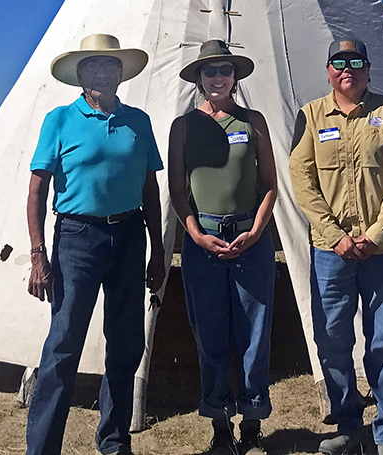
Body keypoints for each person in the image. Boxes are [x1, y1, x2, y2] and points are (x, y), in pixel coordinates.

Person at [26, 34, 165, 455]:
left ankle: (114, 441)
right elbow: (36, 189)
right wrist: (37, 253)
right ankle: (43, 447)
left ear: (121, 74)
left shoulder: (138, 121)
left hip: (128, 235)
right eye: (93, 67)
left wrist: (158, 250)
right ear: (80, 76)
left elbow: (150, 188)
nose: (102, 73)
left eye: (110, 67)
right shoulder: (60, 119)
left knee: (125, 343)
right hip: (76, 237)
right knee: (63, 344)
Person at [289, 38, 383, 455]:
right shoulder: (310, 116)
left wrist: (376, 234)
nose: (348, 69)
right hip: (331, 251)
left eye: (356, 61)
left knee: (381, 339)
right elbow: (302, 179)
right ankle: (347, 421)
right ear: (328, 69)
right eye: (339, 62)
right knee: (332, 337)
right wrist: (336, 236)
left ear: (368, 68)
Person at [168, 40, 277, 455]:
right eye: (210, 71)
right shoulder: (183, 126)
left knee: (254, 333)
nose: (218, 77)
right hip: (204, 243)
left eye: (225, 71)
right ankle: (219, 426)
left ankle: (251, 425)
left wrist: (256, 230)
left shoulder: (253, 121)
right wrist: (194, 234)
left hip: (251, 240)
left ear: (235, 77)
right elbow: (178, 191)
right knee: (209, 333)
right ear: (199, 78)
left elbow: (269, 184)